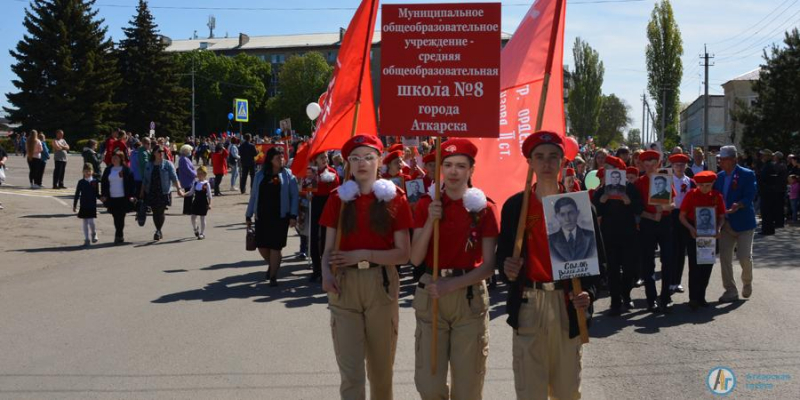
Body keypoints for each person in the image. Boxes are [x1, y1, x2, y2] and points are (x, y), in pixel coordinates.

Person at [498, 131, 595, 400]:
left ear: (563, 161)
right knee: (530, 391)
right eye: (539, 157)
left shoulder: (579, 206)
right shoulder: (516, 206)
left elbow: (598, 267)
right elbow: (502, 256)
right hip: (529, 303)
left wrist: (589, 294)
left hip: (567, 303)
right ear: (529, 162)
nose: (547, 163)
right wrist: (507, 269)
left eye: (553, 157)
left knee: (567, 391)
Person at [320, 135, 412, 400]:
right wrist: (326, 274)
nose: (362, 163)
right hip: (344, 285)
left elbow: (403, 254)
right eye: (356, 158)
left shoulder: (395, 198)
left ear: (380, 161)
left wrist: (362, 253)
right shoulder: (338, 199)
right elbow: (327, 251)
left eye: (369, 157)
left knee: (381, 372)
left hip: (381, 285)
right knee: (351, 375)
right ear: (347, 163)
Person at [409, 139, 497, 399]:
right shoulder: (426, 204)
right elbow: (415, 258)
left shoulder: (484, 209)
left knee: (468, 387)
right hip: (431, 294)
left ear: (471, 169)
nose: (453, 171)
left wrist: (452, 285)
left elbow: (490, 266)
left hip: (468, 297)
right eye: (447, 165)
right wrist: (430, 222)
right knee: (430, 385)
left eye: (461, 165)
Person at [593, 158, 643, 316]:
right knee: (613, 269)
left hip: (628, 234)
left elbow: (639, 208)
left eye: (611, 168)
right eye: (606, 168)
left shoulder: (630, 188)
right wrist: (601, 202)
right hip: (609, 235)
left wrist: (629, 202)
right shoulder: (601, 190)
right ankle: (615, 300)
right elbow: (595, 211)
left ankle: (626, 295)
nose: (607, 171)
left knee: (629, 268)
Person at [245, 146, 299, 286]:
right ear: (270, 159)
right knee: (262, 246)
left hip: (280, 216)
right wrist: (248, 215)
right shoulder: (260, 175)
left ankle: (273, 275)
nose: (281, 159)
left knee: (276, 247)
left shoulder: (288, 175)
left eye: (282, 157)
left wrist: (293, 215)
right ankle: (273, 264)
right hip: (262, 216)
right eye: (278, 157)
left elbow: (294, 197)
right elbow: (253, 196)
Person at [714, 145, 757, 302]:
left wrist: (738, 205)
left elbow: (750, 195)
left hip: (744, 223)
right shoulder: (718, 177)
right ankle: (730, 290)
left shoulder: (747, 174)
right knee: (725, 258)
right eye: (720, 159)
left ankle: (747, 282)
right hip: (725, 223)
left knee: (744, 256)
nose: (721, 162)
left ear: (734, 159)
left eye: (724, 159)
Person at [635, 150, 676, 312]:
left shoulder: (665, 179)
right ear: (643, 165)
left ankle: (665, 297)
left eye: (654, 164)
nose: (651, 167)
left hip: (665, 222)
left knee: (667, 260)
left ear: (658, 164)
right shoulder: (639, 183)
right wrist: (652, 215)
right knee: (648, 262)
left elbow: (673, 204)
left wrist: (663, 208)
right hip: (647, 223)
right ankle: (651, 298)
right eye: (647, 164)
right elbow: (636, 209)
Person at [679, 171, 726, 310]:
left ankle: (701, 296)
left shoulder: (717, 196)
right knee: (694, 267)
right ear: (697, 184)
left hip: (710, 234)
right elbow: (681, 216)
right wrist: (690, 229)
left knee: (706, 267)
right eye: (702, 185)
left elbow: (722, 216)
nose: (705, 188)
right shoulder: (691, 194)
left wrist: (718, 228)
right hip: (695, 232)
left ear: (712, 184)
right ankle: (693, 298)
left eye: (708, 185)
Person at [308, 150, 340, 282]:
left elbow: (337, 189)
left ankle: (325, 268)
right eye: (322, 157)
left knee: (327, 238)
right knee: (314, 237)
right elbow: (306, 187)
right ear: (316, 159)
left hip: (328, 204)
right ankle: (316, 269)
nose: (325, 159)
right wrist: (307, 193)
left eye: (326, 157)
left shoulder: (332, 172)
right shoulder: (311, 171)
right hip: (315, 203)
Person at [141, 146, 182, 241]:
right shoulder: (149, 164)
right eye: (159, 151)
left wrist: (179, 189)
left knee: (161, 211)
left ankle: (158, 230)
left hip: (163, 191)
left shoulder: (168, 164)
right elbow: (145, 179)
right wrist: (141, 191)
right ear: (154, 153)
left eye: (163, 151)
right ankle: (158, 230)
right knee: (155, 212)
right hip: (152, 191)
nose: (161, 153)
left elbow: (174, 177)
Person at [669, 153, 693, 294]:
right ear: (672, 166)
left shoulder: (690, 181)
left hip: (685, 216)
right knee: (671, 251)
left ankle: (677, 282)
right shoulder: (667, 180)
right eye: (676, 165)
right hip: (671, 216)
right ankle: (669, 281)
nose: (679, 167)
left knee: (681, 251)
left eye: (682, 165)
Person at [101, 151, 136, 244]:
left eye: (116, 158)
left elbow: (131, 184)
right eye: (113, 158)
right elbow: (104, 183)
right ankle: (119, 234)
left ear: (121, 159)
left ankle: (118, 235)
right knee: (115, 216)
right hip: (112, 197)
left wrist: (132, 196)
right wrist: (103, 195)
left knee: (121, 216)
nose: (114, 159)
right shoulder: (108, 169)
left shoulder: (126, 170)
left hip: (123, 197)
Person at [547, 196, 596, 263]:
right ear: (556, 217)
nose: (567, 219)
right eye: (562, 214)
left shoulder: (591, 236)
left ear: (577, 213)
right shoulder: (551, 240)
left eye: (571, 213)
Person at [181, 166, 212, 239]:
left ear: (205, 174)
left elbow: (210, 195)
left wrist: (210, 204)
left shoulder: (206, 184)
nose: (199, 175)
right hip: (196, 202)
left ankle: (202, 233)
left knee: (202, 218)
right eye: (198, 173)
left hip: (204, 202)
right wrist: (184, 194)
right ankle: (195, 229)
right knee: (193, 217)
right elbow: (191, 192)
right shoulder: (195, 183)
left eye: (201, 173)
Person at [73, 163, 100, 245]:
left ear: (92, 172)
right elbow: (77, 194)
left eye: (89, 171)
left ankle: (94, 233)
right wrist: (74, 205)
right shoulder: (81, 182)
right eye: (85, 171)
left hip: (92, 204)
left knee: (91, 221)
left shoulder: (95, 182)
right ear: (83, 172)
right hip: (83, 204)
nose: (87, 173)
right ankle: (86, 239)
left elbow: (97, 194)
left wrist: (103, 199)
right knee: (85, 221)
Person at [757, 149, 780, 235]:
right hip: (767, 192)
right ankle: (767, 229)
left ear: (767, 156)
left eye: (763, 155)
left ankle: (767, 230)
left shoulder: (769, 166)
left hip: (767, 192)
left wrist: (759, 178)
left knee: (767, 212)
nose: (762, 157)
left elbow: (769, 179)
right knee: (766, 212)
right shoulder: (767, 165)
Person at [177, 144, 197, 216]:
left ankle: (187, 210)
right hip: (187, 179)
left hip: (188, 179)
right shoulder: (184, 159)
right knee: (189, 195)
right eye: (190, 150)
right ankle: (188, 210)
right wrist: (195, 174)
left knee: (189, 195)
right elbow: (188, 170)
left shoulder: (184, 158)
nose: (191, 152)